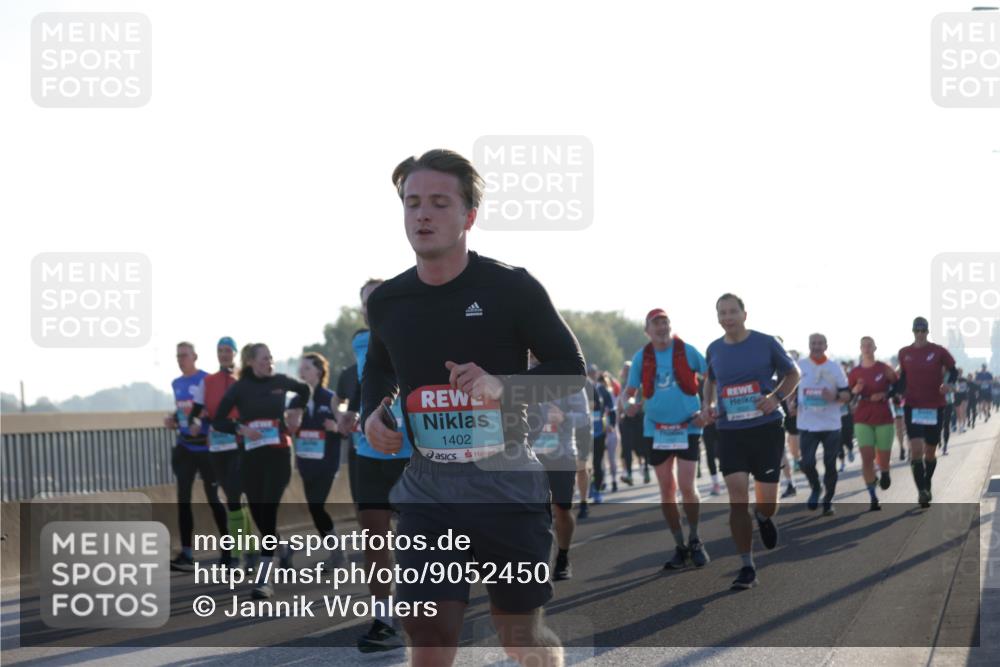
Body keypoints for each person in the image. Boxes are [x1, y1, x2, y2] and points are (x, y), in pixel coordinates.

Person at [362, 149, 586, 667]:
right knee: (430, 641)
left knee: (520, 640)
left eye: (439, 203)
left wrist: (502, 386)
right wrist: (375, 411)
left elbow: (571, 366)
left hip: (506, 482)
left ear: (468, 216)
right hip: (427, 489)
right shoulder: (388, 301)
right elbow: (379, 368)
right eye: (412, 202)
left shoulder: (512, 287)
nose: (422, 214)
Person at [703, 294, 800, 590]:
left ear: (745, 314)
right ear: (717, 317)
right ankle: (747, 565)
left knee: (767, 502)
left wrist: (775, 398)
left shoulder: (766, 342)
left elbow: (793, 373)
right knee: (737, 500)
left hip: (765, 428)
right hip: (730, 431)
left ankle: (764, 515)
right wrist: (707, 404)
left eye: (733, 311)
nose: (728, 317)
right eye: (723, 312)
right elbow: (710, 380)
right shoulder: (714, 349)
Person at [341, 278, 415, 653]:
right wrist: (349, 415)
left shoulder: (418, 332)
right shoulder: (361, 342)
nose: (374, 306)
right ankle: (384, 620)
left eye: (379, 299)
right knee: (375, 538)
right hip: (370, 454)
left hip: (414, 453)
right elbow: (359, 385)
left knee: (416, 540)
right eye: (367, 302)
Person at [212, 343, 309, 598]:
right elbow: (219, 420)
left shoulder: (279, 380)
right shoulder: (240, 388)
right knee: (258, 513)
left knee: (268, 508)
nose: (270, 362)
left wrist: (296, 411)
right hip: (252, 458)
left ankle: (264, 579)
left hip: (279, 455)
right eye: (264, 358)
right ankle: (284, 550)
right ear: (251, 362)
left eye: (271, 358)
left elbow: (304, 389)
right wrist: (241, 429)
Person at [623, 309, 710, 570]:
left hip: (688, 427)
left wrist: (706, 408)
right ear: (647, 330)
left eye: (665, 322)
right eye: (656, 324)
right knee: (666, 491)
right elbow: (629, 392)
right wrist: (629, 404)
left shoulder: (687, 350)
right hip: (656, 429)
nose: (662, 327)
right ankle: (680, 545)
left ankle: (695, 539)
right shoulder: (642, 357)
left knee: (687, 486)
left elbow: (711, 377)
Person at [526, 352, 589, 580]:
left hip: (561, 453)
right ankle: (537, 563)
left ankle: (563, 556)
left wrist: (564, 417)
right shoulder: (522, 373)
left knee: (562, 509)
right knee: (532, 511)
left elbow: (585, 417)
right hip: (528, 453)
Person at [167, 342, 229, 571]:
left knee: (214, 498)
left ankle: (228, 551)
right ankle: (186, 553)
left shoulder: (207, 380)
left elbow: (215, 410)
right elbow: (183, 410)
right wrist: (172, 418)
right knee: (183, 499)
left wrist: (202, 420)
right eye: (178, 355)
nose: (180, 359)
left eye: (184, 355)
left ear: (195, 357)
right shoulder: (176, 383)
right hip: (185, 446)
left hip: (206, 447)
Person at [188, 337, 249, 569]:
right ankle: (250, 550)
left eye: (227, 350)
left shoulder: (243, 380)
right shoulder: (208, 381)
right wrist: (194, 421)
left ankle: (236, 556)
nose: (223, 354)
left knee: (235, 498)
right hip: (216, 447)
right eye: (220, 350)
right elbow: (195, 411)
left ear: (234, 353)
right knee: (233, 500)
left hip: (239, 445)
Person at [289, 352, 347, 571]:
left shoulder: (331, 398)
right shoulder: (296, 399)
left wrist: (335, 427)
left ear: (319, 371)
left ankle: (339, 555)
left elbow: (345, 428)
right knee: (315, 510)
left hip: (326, 463)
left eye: (306, 369)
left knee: (316, 506)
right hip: (306, 464)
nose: (301, 373)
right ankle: (336, 554)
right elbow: (289, 428)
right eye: (300, 369)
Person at [896, 317, 958, 508]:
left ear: (927, 332)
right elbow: (903, 377)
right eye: (917, 330)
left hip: (935, 406)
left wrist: (949, 384)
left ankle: (927, 481)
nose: (920, 334)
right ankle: (922, 491)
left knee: (930, 452)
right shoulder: (904, 353)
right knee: (915, 450)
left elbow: (953, 370)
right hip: (913, 405)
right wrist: (896, 392)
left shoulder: (938, 351)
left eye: (923, 330)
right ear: (913, 332)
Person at [795, 334, 851, 516]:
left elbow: (847, 395)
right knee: (807, 462)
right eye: (813, 343)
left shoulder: (834, 368)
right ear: (809, 345)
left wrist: (833, 397)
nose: (816, 347)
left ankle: (828, 501)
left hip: (831, 424)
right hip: (807, 424)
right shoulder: (800, 366)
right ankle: (816, 487)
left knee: (830, 464)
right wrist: (791, 403)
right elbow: (791, 389)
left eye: (820, 343)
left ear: (826, 346)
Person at [847, 336, 899, 511]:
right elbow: (848, 394)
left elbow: (898, 387)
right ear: (860, 349)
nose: (867, 348)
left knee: (883, 458)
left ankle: (884, 471)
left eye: (870, 345)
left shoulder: (884, 368)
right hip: (862, 418)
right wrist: (856, 390)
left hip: (883, 416)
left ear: (875, 348)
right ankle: (873, 496)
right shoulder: (855, 372)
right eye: (864, 346)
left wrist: (886, 394)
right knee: (867, 458)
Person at [588, 364, 615, 504]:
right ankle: (590, 486)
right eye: (589, 372)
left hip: (599, 431)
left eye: (593, 372)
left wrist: (611, 424)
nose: (591, 375)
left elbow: (612, 408)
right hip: (583, 432)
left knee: (597, 462)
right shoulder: (581, 389)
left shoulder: (603, 390)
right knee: (586, 463)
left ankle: (597, 489)